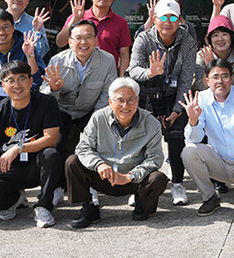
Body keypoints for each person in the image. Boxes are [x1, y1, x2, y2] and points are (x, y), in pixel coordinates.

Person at [0, 61, 63, 228]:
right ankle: (14, 199)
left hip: (37, 165)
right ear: (3, 86)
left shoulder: (46, 103)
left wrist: (18, 148)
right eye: (10, 80)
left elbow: (51, 139)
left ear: (31, 81)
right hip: (9, 167)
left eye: (22, 79)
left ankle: (43, 206)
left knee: (51, 155)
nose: (16, 85)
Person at [64, 77, 169, 228]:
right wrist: (99, 164)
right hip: (103, 176)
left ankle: (141, 204)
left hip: (133, 180)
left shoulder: (151, 123)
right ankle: (89, 207)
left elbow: (155, 159)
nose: (125, 105)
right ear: (110, 101)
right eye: (120, 100)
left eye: (130, 100)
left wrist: (130, 176)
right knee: (72, 162)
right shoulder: (98, 118)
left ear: (138, 100)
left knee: (158, 178)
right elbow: (83, 148)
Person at [129, 0, 196, 206]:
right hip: (147, 96)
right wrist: (150, 72)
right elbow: (133, 70)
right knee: (142, 142)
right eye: (163, 18)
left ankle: (177, 183)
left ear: (179, 20)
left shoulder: (188, 42)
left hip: (173, 96)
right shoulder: (143, 39)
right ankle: (137, 184)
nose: (168, 22)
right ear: (155, 19)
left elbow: (186, 79)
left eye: (173, 18)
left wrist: (177, 110)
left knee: (176, 140)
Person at [180, 59, 234, 215]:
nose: (220, 81)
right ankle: (210, 197)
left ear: (231, 78)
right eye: (215, 77)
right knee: (189, 151)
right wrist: (193, 120)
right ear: (207, 81)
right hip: (218, 161)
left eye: (225, 76)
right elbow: (194, 139)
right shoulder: (202, 98)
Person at [40, 19, 117, 153]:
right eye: (78, 38)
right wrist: (54, 89)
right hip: (62, 110)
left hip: (90, 111)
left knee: (101, 146)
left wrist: (95, 122)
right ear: (70, 42)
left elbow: (107, 95)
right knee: (57, 148)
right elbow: (44, 96)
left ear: (96, 41)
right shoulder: (57, 60)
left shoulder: (108, 60)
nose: (83, 42)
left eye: (88, 37)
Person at [55, 0, 133, 77]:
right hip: (78, 72)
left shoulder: (121, 22)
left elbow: (124, 54)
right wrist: (74, 20)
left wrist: (122, 80)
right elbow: (60, 43)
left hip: (107, 74)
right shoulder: (78, 16)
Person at [194, 15, 234, 90]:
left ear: (231, 37)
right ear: (210, 39)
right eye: (215, 35)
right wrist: (210, 67)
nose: (220, 39)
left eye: (224, 34)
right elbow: (200, 88)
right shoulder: (201, 56)